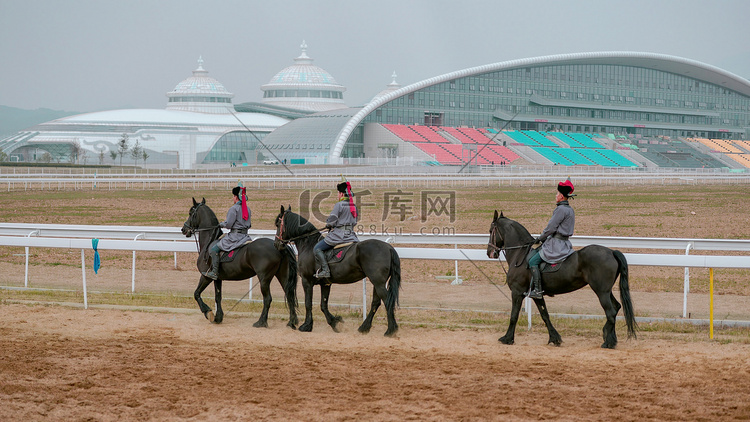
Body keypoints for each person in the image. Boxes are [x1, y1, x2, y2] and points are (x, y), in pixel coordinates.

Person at [527, 178, 576, 299]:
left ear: (562, 196)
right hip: (565, 243)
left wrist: (539, 238)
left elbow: (550, 228)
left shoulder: (560, 210)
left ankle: (538, 290)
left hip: (556, 245)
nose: (556, 196)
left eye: (557, 194)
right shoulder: (570, 209)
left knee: (532, 261)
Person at [202, 186, 253, 280]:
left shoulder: (234, 209)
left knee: (214, 249)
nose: (233, 198)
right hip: (245, 236)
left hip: (235, 236)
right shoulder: (248, 209)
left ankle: (214, 272)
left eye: (233, 196)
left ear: (236, 197)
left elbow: (229, 224)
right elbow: (249, 224)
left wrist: (222, 224)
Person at [313, 181, 359, 278]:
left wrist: (329, 224)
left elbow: (331, 221)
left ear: (341, 194)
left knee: (317, 248)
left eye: (338, 193)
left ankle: (325, 270)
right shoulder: (354, 206)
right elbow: (355, 221)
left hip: (339, 236)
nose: (337, 195)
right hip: (351, 235)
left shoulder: (339, 205)